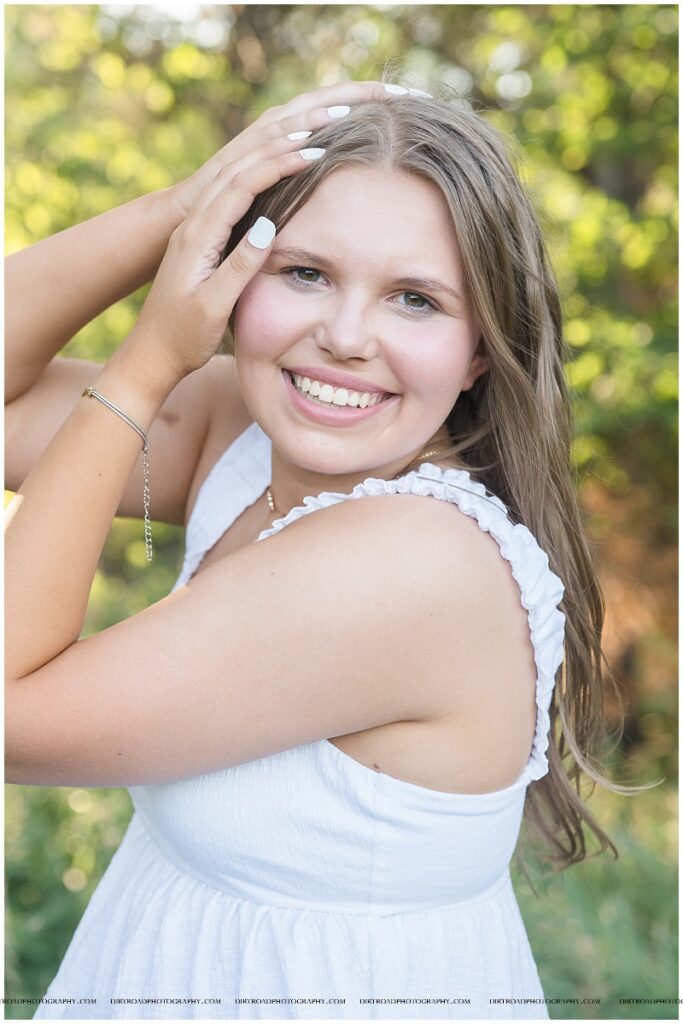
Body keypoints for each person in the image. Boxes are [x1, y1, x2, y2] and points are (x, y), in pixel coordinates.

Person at [6, 78, 629, 1019]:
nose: (342, 337)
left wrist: (144, 365)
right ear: (231, 270)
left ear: (477, 355)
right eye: (303, 272)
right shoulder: (242, 435)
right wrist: (186, 205)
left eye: (414, 299)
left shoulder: (406, 564)